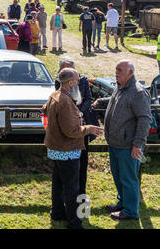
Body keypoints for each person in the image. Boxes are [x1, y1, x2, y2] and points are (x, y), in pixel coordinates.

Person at [41, 68, 103, 229]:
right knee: (71, 187)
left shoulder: (55, 95)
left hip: (56, 148)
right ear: (70, 83)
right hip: (67, 150)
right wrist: (88, 128)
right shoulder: (65, 101)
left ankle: (57, 212)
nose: (79, 82)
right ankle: (74, 222)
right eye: (77, 79)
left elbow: (45, 109)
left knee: (58, 182)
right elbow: (72, 131)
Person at [92, 60, 151, 221]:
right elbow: (115, 100)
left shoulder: (138, 92)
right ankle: (123, 203)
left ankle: (131, 212)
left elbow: (145, 119)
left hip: (128, 146)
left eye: (120, 70)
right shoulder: (121, 86)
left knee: (129, 179)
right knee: (119, 177)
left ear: (130, 73)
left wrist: (137, 144)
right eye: (116, 69)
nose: (116, 72)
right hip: (116, 143)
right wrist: (101, 101)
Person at [55, 57, 100, 196]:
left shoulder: (83, 79)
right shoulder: (59, 81)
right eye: (66, 69)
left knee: (82, 161)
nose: (70, 72)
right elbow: (60, 99)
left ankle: (81, 193)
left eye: (72, 69)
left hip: (82, 124)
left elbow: (88, 99)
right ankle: (66, 195)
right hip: (66, 126)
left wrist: (79, 112)